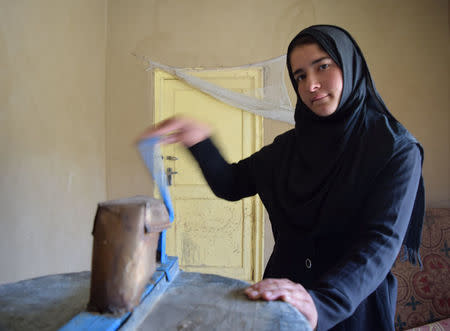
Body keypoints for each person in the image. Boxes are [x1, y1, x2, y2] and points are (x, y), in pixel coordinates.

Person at [138, 25, 424, 331]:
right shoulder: (288, 148)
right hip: (282, 303)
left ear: (350, 65)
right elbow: (231, 183)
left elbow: (380, 243)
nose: (311, 85)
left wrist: (322, 303)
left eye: (323, 66)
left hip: (352, 310)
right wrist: (199, 140)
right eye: (300, 76)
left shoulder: (395, 149)